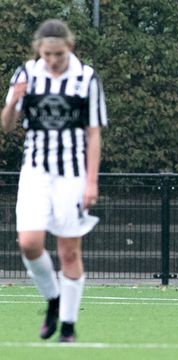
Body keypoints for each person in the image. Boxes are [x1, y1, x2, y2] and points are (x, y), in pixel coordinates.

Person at [1, 19, 107, 342]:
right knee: (29, 243)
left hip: (72, 175)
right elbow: (6, 126)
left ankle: (69, 327)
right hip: (35, 172)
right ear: (38, 51)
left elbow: (93, 134)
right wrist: (11, 103)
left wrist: (91, 182)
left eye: (58, 54)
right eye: (46, 55)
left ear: (69, 48)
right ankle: (53, 298)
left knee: (69, 250)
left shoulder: (86, 78)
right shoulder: (26, 74)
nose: (52, 61)